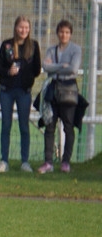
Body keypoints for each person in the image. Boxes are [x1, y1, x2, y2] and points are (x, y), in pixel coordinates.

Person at [0, 15, 41, 173]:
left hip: (24, 93)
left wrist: (28, 78)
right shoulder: (6, 45)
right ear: (15, 28)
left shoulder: (33, 46)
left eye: (26, 28)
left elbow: (37, 69)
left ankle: (25, 162)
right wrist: (8, 71)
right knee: (6, 125)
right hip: (7, 92)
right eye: (21, 27)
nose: (24, 30)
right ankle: (4, 161)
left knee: (24, 126)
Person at [38, 19, 82, 174]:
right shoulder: (51, 49)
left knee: (68, 127)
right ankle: (48, 162)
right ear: (57, 33)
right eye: (62, 32)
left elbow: (73, 69)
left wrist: (56, 68)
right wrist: (61, 66)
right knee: (49, 126)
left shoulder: (76, 49)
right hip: (53, 91)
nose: (64, 35)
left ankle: (65, 162)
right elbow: (46, 67)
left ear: (70, 34)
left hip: (68, 92)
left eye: (67, 32)